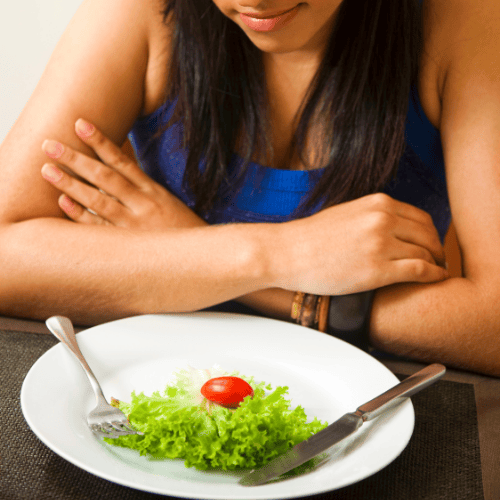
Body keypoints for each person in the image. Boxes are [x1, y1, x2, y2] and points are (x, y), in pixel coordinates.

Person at [0, 0, 499, 376]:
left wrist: (194, 255)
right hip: (159, 382)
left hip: (365, 413)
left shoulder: (464, 21)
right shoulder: (145, 11)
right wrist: (277, 254)